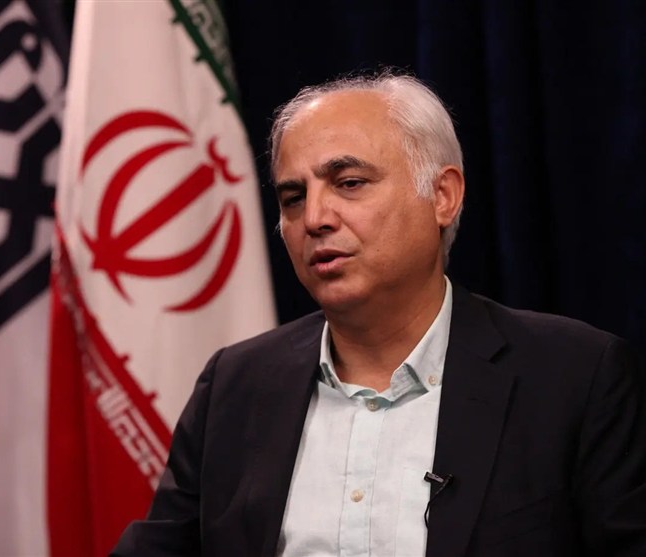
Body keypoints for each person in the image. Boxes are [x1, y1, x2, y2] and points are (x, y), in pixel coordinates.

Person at [112, 72, 646, 556]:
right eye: (293, 197)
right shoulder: (234, 385)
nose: (314, 218)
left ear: (443, 196)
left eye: (349, 183)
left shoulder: (575, 377)